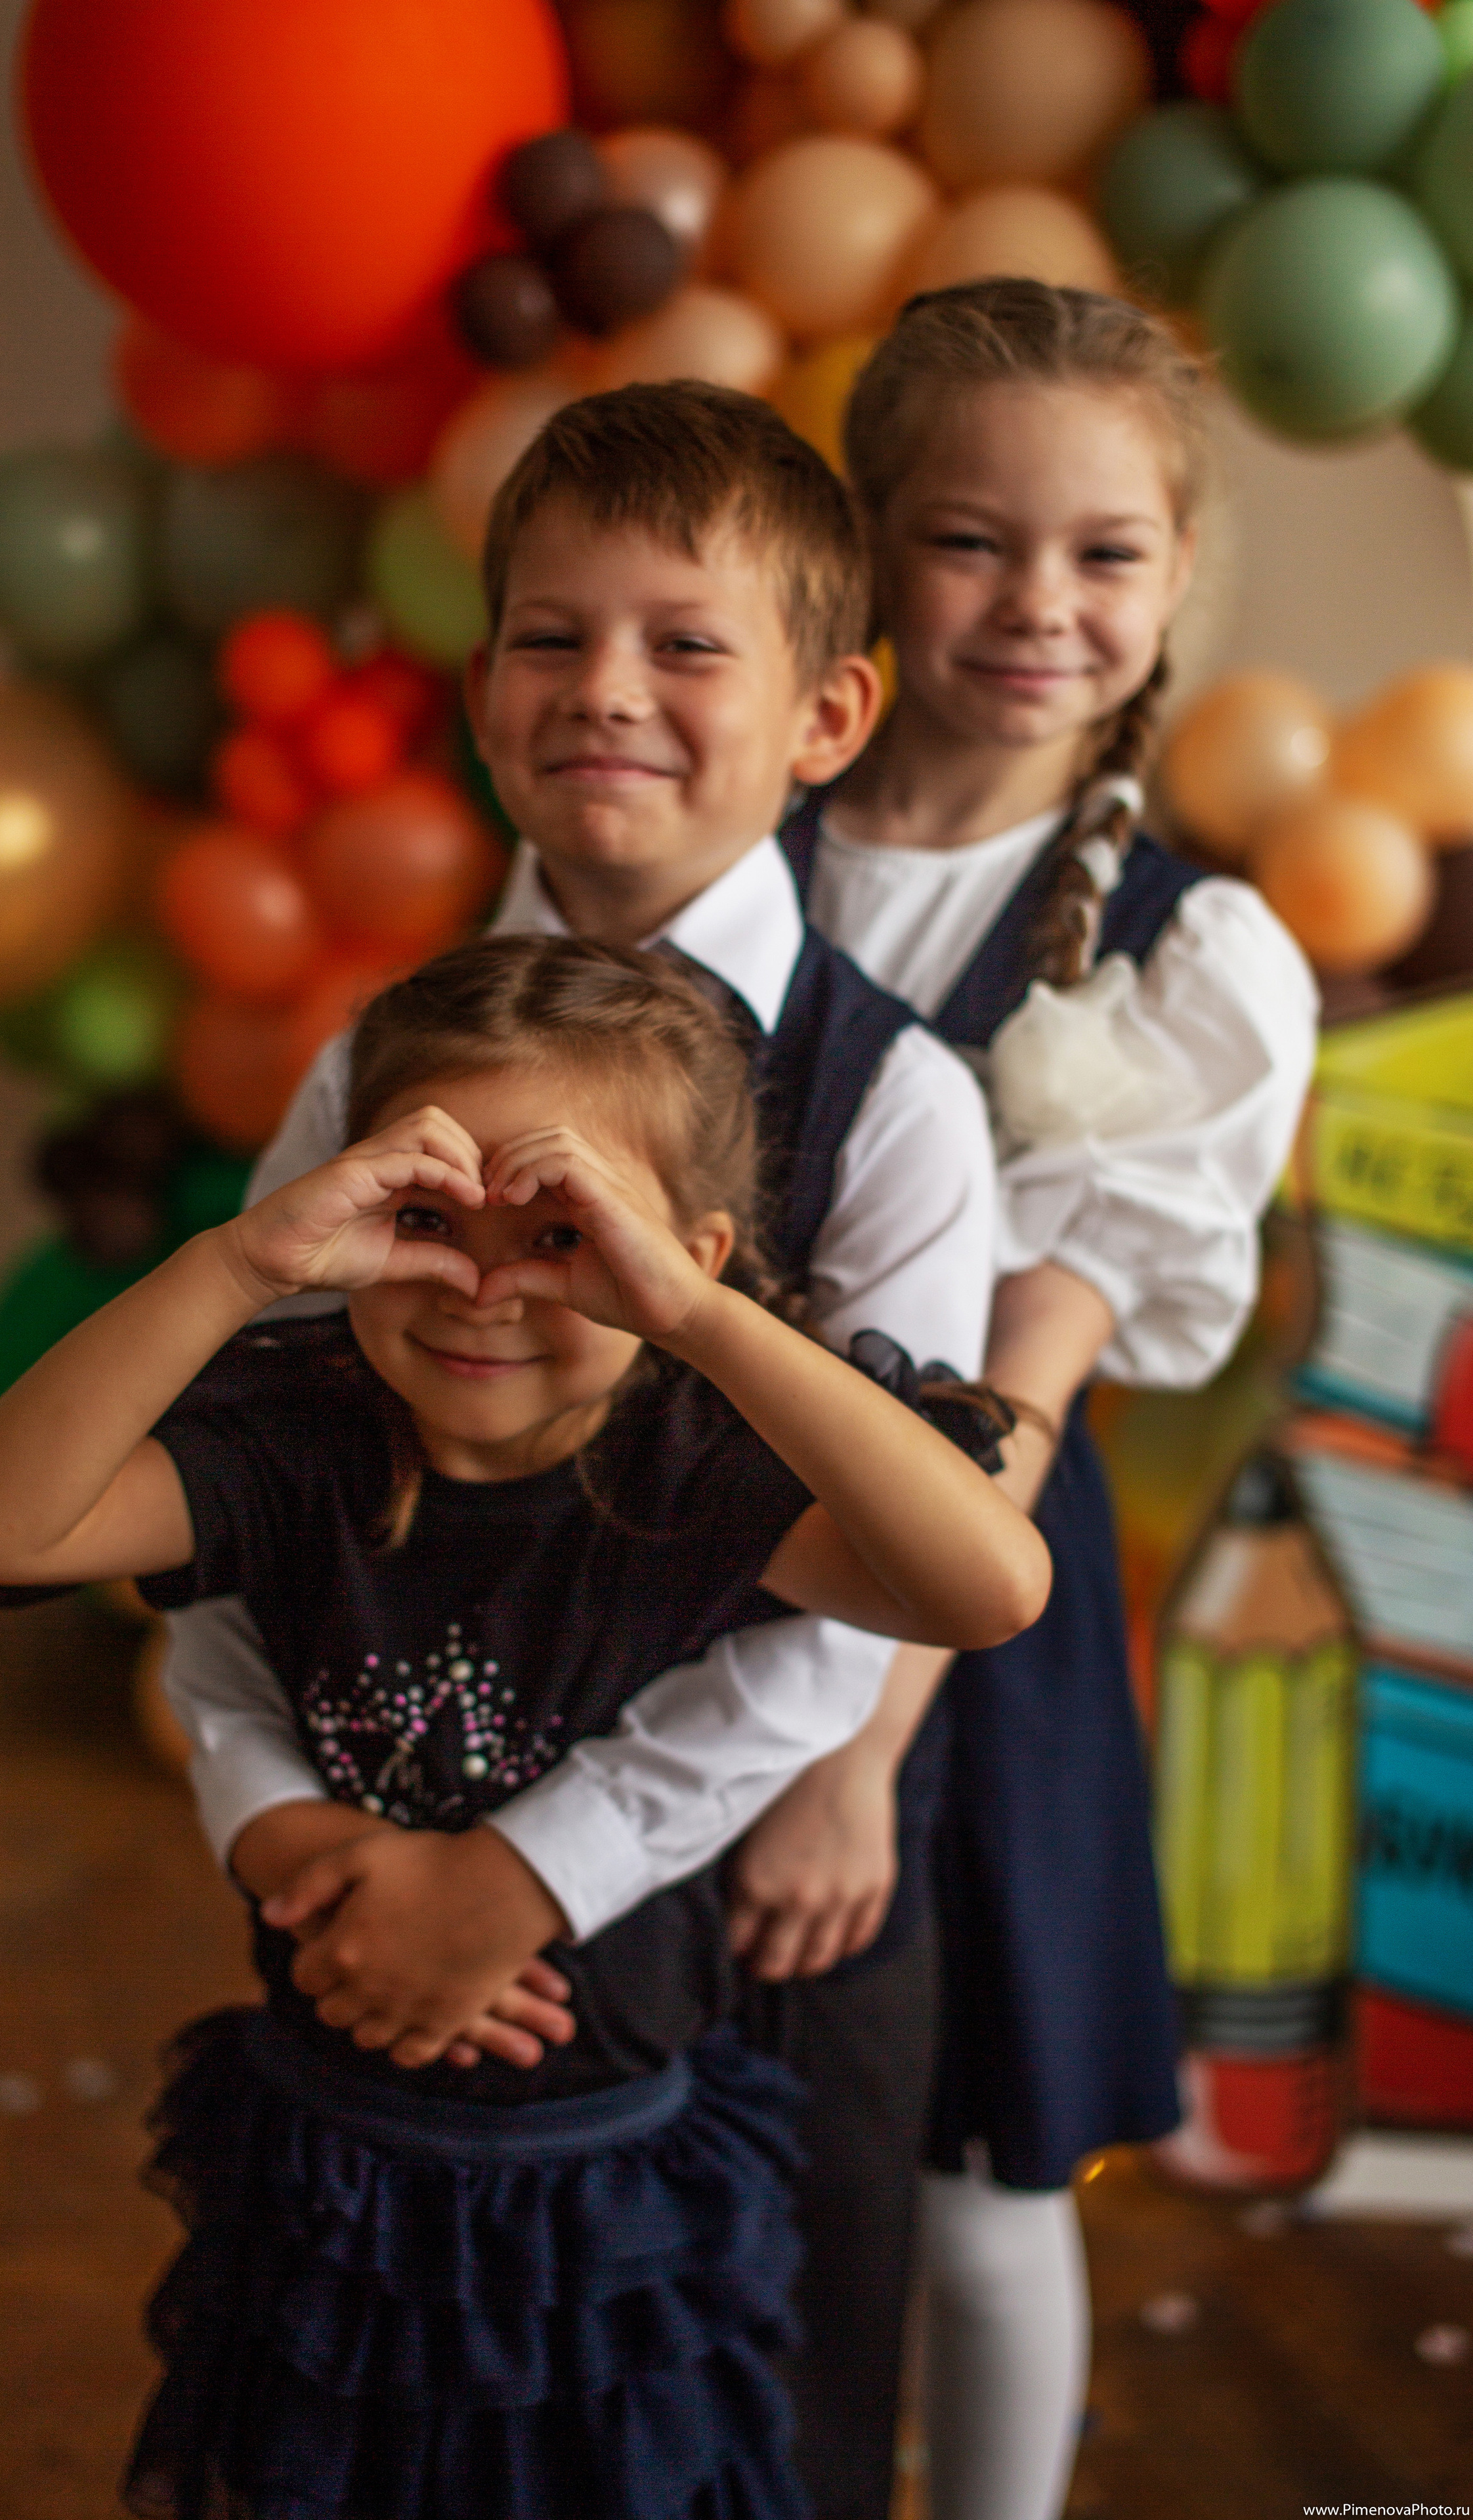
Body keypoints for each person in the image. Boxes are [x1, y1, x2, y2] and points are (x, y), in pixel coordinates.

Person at [0, 931, 1050, 2520]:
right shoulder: (302, 1438)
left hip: (618, 2192)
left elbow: (989, 1589)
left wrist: (694, 1316)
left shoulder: (691, 1462)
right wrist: (241, 1265)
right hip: (333, 2171)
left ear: (679, 1256)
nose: (489, 1291)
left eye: (564, 1239)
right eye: (427, 1225)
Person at [161, 383, 1001, 2516]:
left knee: (757, 2422)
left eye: (683, 643)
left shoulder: (899, 1102)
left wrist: (535, 1873)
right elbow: (247, 1481)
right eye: (550, 637)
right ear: (481, 690)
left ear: (828, 715)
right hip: (360, 1894)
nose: (606, 689)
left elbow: (874, 1569)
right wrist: (277, 1821)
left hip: (756, 1894)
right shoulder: (368, 1064)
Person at [727, 278, 1320, 2520]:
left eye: (1105, 553)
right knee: (720, 2145)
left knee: (978, 2194)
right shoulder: (725, 832)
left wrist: (851, 1760)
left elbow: (1012, 1402)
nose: (1040, 604)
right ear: (871, 540)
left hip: (950, 1638)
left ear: (1178, 576)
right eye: (972, 540)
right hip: (689, 1550)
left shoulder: (1188, 958)